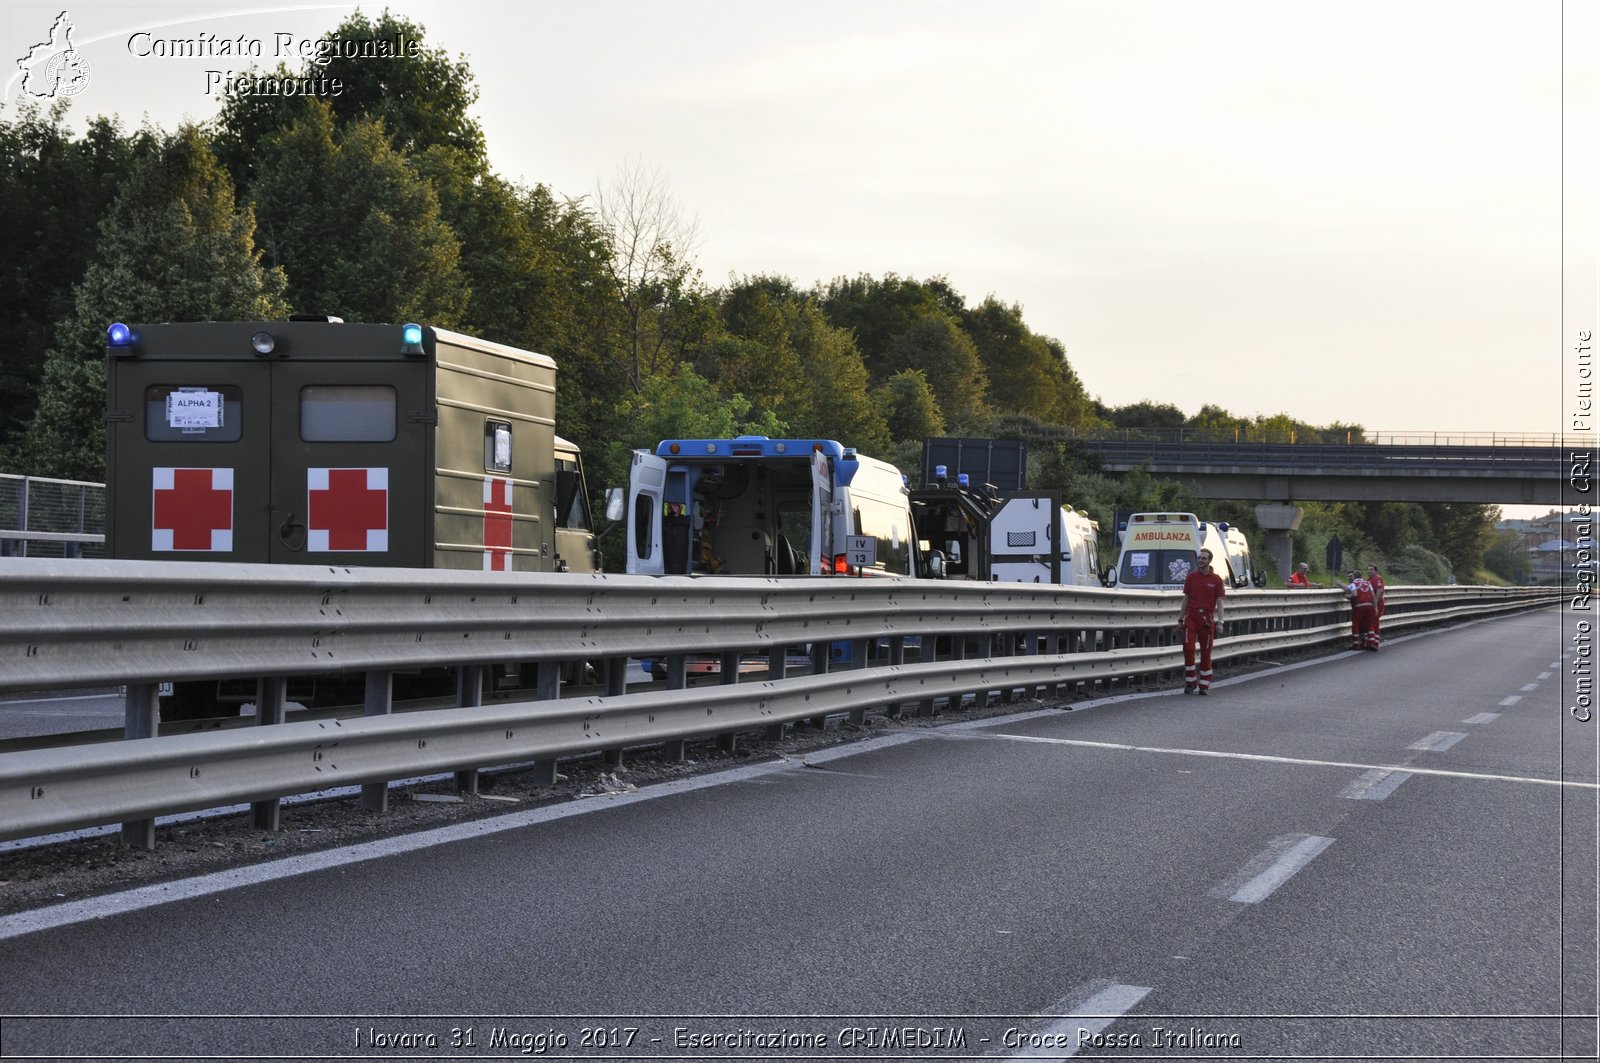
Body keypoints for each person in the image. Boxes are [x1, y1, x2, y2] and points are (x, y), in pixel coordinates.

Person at [1179, 548, 1228, 694]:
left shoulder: (1216, 580)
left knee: (1206, 653)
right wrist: (1180, 619)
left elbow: (1220, 602)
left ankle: (1204, 685)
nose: (1200, 560)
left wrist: (1221, 621)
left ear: (1209, 561)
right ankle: (1190, 682)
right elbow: (1186, 599)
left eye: (1204, 558)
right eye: (1199, 558)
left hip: (1206, 619)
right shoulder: (1191, 577)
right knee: (1188, 648)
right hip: (1191, 617)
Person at [1346, 569, 1379, 651]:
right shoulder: (1368, 583)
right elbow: (1373, 595)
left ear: (1354, 577)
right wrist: (1375, 607)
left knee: (1356, 624)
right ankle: (1372, 642)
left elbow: (1351, 591)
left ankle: (1356, 644)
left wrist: (1341, 587)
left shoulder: (1353, 584)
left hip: (1359, 606)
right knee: (1370, 623)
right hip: (1370, 605)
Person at [1366, 563, 1386, 647]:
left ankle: (1372, 642)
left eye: (1371, 569)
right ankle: (1375, 641)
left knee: (1371, 621)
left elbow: (1379, 591)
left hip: (1377, 604)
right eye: (1368, 569)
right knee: (1375, 622)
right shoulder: (1369, 580)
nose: (1369, 571)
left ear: (1375, 571)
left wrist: (1375, 603)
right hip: (1372, 604)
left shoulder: (1377, 579)